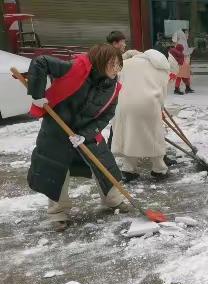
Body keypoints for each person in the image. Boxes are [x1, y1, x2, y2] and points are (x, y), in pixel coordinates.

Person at [26, 44, 128, 232]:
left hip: (86, 132)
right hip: (56, 129)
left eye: (118, 65)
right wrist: (37, 95)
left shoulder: (112, 88)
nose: (116, 69)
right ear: (100, 62)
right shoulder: (74, 68)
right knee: (56, 169)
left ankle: (113, 200)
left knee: (104, 164)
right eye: (112, 64)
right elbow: (41, 62)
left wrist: (85, 135)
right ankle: (58, 213)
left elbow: (107, 115)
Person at [111, 49, 180, 182]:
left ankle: (128, 169)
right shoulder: (162, 68)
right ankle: (159, 169)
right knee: (154, 135)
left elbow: (116, 78)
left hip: (125, 104)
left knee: (129, 134)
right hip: (148, 104)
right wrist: (159, 107)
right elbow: (162, 90)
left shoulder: (127, 63)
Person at [172, 29, 194, 95]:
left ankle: (186, 87)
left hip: (183, 61)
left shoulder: (182, 41)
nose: (188, 35)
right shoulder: (181, 42)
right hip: (182, 62)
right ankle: (178, 88)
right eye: (187, 33)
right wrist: (191, 50)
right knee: (181, 75)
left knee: (184, 75)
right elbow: (184, 52)